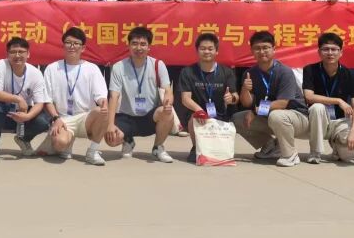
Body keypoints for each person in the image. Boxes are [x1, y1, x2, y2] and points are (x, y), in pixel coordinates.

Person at [235, 31, 309, 163]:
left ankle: (290, 154)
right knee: (238, 119)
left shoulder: (284, 72)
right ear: (252, 51)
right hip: (271, 116)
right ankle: (270, 146)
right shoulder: (249, 73)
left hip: (297, 117)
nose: (262, 51)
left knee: (277, 116)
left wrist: (255, 111)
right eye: (257, 48)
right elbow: (247, 103)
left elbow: (283, 103)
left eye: (265, 47)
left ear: (274, 49)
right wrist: (245, 89)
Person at [42, 28, 111, 165]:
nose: (72, 46)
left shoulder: (92, 69)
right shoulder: (52, 68)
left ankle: (92, 152)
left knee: (102, 112)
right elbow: (47, 100)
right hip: (63, 119)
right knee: (59, 143)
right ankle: (66, 143)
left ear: (83, 48)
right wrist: (56, 119)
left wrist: (103, 103)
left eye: (76, 43)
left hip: (85, 118)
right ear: (63, 45)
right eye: (68, 42)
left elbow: (100, 96)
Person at [106, 27, 175, 162]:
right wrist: (110, 124)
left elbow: (168, 90)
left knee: (167, 113)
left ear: (149, 47)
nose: (139, 48)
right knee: (111, 139)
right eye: (135, 43)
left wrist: (168, 102)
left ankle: (158, 147)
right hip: (126, 117)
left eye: (143, 44)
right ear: (129, 45)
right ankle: (128, 141)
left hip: (150, 117)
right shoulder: (119, 66)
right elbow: (114, 96)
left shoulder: (157, 64)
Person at [302, 33, 354, 164]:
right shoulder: (310, 70)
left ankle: (336, 143)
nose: (330, 53)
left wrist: (353, 131)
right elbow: (309, 97)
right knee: (317, 107)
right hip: (317, 121)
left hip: (339, 122)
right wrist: (338, 101)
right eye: (325, 49)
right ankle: (315, 151)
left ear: (341, 52)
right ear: (319, 52)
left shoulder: (350, 75)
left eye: (334, 49)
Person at [174, 32, 238, 162]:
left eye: (210, 48)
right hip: (198, 116)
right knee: (194, 117)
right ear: (197, 51)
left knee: (219, 155)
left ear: (216, 51)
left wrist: (232, 98)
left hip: (220, 116)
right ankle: (196, 147)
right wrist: (200, 111)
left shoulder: (227, 72)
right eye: (203, 48)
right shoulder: (188, 72)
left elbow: (235, 95)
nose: (206, 52)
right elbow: (185, 98)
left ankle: (215, 148)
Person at [0, 36, 49, 161]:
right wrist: (18, 99)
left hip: (25, 113)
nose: (17, 55)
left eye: (21, 52)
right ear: (7, 54)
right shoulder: (1, 65)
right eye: (13, 52)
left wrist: (28, 116)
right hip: (6, 112)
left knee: (44, 121)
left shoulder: (35, 73)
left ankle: (23, 139)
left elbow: (40, 103)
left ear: (28, 54)